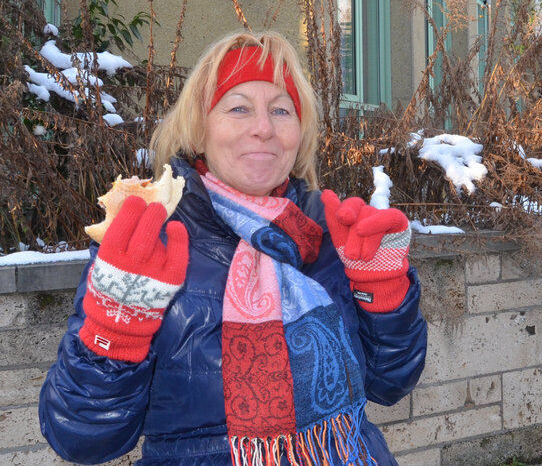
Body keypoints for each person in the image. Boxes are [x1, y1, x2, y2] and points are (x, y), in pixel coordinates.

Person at [39, 31, 427, 466]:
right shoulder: (150, 241)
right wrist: (117, 329)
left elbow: (391, 383)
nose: (263, 128)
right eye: (238, 108)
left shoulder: (328, 231)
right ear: (199, 130)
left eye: (281, 110)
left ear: (299, 134)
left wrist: (384, 292)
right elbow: (83, 438)